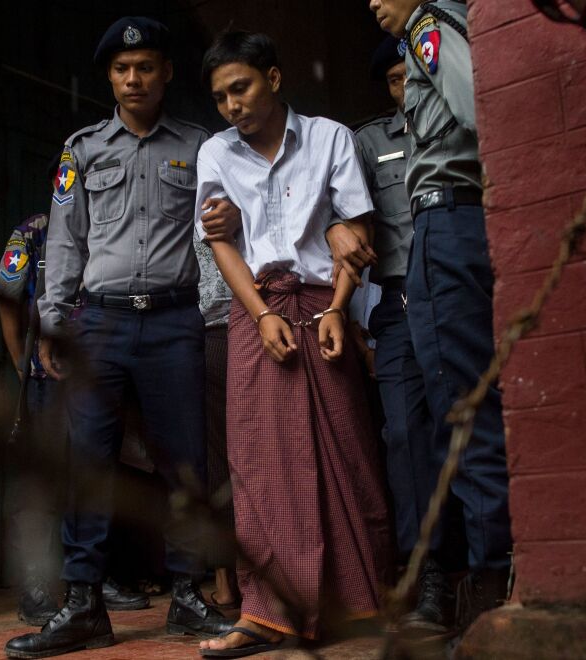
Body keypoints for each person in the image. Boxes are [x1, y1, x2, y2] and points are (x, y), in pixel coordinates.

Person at [4, 17, 236, 659]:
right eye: (121, 69)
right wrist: (52, 323)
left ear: (165, 73)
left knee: (184, 461)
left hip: (173, 321)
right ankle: (84, 605)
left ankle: (188, 596)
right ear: (109, 76)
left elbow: (229, 225)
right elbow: (65, 240)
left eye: (145, 67)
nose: (133, 79)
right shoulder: (81, 151)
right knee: (89, 461)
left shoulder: (201, 146)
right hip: (99, 323)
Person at [195, 31, 391, 657]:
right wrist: (257, 316)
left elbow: (354, 228)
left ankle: (356, 604)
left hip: (321, 305)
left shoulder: (331, 137)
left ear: (274, 79)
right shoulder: (215, 153)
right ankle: (267, 613)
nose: (232, 105)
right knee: (259, 464)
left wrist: (338, 308)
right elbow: (221, 241)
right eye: (221, 96)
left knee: (345, 449)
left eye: (242, 87)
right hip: (259, 311)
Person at [369, 0, 513, 630]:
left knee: (462, 405)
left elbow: (480, 112)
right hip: (453, 222)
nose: (376, 4)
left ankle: (492, 583)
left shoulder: (430, 25)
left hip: (450, 219)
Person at [0, 185, 149, 625]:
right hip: (46, 380)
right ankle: (36, 589)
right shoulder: (32, 233)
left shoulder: (109, 232)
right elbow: (6, 295)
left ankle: (96, 579)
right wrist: (21, 366)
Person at [355, 36, 450, 632]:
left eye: (413, 73)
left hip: (456, 295)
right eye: (395, 78)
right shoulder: (367, 142)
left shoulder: (460, 121)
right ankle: (429, 571)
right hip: (395, 304)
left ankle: (486, 562)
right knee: (404, 435)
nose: (407, 85)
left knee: (459, 422)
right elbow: (353, 229)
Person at [194, 238, 240, 610]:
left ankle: (230, 583)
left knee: (218, 458)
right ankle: (237, 578)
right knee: (231, 456)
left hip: (218, 328)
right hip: (244, 324)